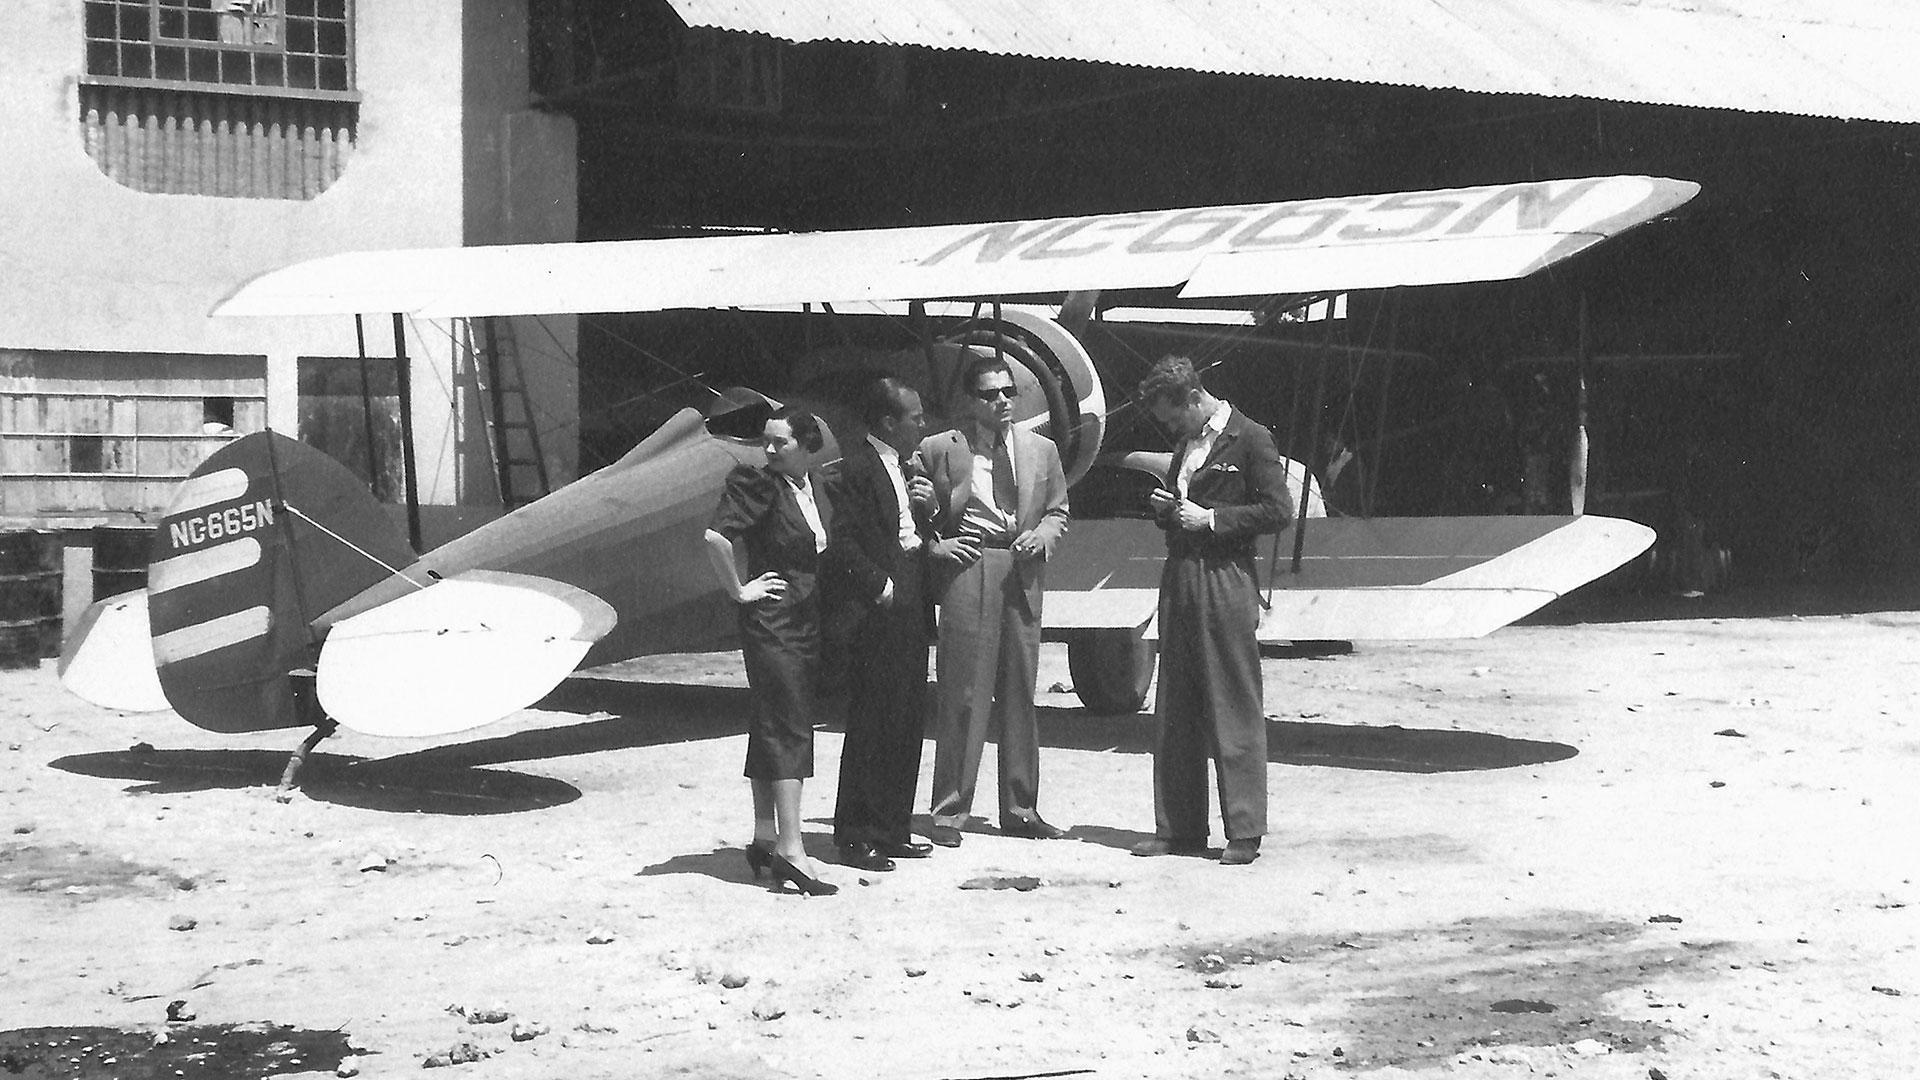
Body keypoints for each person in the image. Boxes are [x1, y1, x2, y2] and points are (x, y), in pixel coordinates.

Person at [1131, 356, 1290, 866]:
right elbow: (1185, 507)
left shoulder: (1250, 438)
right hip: (1180, 573)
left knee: (1232, 698)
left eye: (1172, 418)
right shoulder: (1188, 442)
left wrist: (1213, 517)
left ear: (1193, 399)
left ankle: (1244, 829)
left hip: (1225, 575)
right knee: (1176, 700)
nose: (1170, 428)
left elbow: (1279, 509)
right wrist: (1169, 511)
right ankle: (1179, 827)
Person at [920, 351, 1071, 847]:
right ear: (970, 400)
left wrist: (1043, 537)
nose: (1003, 400)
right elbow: (909, 507)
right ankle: (949, 811)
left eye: (1009, 391)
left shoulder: (1041, 449)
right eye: (990, 393)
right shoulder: (941, 447)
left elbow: (1057, 512)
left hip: (1022, 567)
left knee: (1020, 691)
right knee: (962, 693)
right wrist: (933, 545)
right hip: (969, 563)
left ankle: (1021, 808)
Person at [703, 407, 840, 896]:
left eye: (780, 442)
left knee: (771, 723)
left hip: (804, 621)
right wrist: (739, 590)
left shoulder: (813, 487)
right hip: (773, 622)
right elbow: (715, 537)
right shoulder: (756, 484)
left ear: (807, 447)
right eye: (767, 441)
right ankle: (791, 848)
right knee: (789, 726)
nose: (769, 450)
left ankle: (764, 838)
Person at [825, 377, 937, 873]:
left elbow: (908, 531)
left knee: (908, 713)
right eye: (915, 417)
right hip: (878, 603)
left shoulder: (906, 468)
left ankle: (894, 826)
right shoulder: (855, 469)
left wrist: (927, 509)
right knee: (873, 718)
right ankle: (856, 832)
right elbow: (843, 542)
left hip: (912, 593)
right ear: (889, 423)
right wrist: (881, 586)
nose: (923, 423)